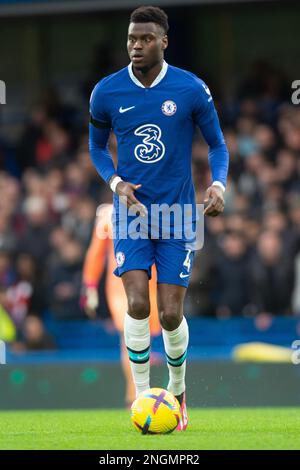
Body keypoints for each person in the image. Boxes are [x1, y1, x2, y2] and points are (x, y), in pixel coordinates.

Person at [89, 5, 229, 431]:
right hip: (130, 214)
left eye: (145, 38)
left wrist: (219, 185)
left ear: (163, 42)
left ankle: (179, 391)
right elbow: (96, 148)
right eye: (131, 38)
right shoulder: (106, 92)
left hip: (178, 216)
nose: (136, 45)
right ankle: (145, 398)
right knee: (135, 304)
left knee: (169, 314)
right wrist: (115, 184)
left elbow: (217, 146)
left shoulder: (190, 89)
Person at [81, 203, 161, 407]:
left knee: (141, 340)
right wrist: (89, 285)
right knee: (130, 338)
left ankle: (139, 392)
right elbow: (96, 253)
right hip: (121, 284)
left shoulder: (156, 206)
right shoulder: (108, 214)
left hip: (152, 282)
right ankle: (134, 394)